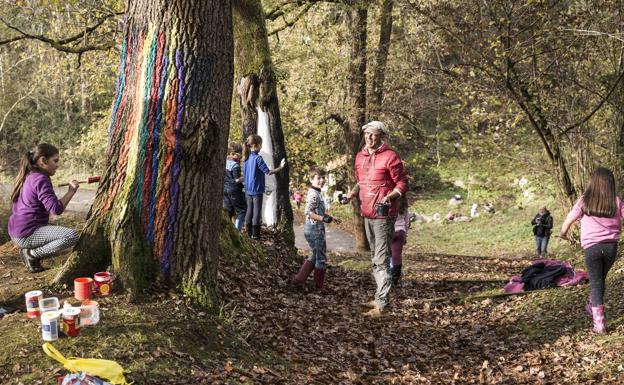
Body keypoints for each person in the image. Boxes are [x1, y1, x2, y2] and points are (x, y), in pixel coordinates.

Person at [343, 121, 408, 317]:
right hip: (367, 213)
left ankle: (383, 304)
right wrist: (351, 194)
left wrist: (390, 197)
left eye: (374, 135)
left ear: (381, 136)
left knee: (381, 259)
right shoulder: (360, 156)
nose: (369, 138)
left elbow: (402, 183)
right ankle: (380, 296)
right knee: (375, 258)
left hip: (384, 215)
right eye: (367, 134)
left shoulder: (390, 157)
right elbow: (360, 182)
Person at [559, 167, 624, 334]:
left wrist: (563, 234)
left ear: (593, 182)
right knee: (599, 279)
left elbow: (569, 219)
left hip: (592, 248)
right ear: (611, 183)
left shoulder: (584, 200)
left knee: (596, 282)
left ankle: (599, 323)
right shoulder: (616, 201)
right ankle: (592, 304)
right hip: (611, 247)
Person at [8, 144, 80, 272]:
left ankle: (30, 252)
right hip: (26, 234)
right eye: (55, 160)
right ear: (43, 161)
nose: (58, 165)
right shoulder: (41, 179)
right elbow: (56, 209)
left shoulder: (30, 174)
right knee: (71, 236)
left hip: (17, 231)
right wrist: (71, 191)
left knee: (67, 241)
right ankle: (31, 254)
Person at [292, 166, 340, 290]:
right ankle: (318, 287)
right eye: (319, 178)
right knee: (321, 257)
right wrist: (322, 219)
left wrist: (331, 217)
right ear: (311, 179)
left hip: (315, 228)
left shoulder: (317, 192)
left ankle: (299, 279)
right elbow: (308, 212)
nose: (322, 180)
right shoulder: (313, 194)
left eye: (323, 178)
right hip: (314, 230)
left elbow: (318, 210)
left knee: (315, 254)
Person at [242, 134, 286, 240]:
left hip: (248, 189)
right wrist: (280, 167)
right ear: (256, 145)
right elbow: (268, 172)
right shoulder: (258, 158)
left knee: (249, 210)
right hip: (257, 189)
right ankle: (255, 235)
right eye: (261, 145)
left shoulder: (245, 158)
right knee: (257, 211)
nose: (261, 147)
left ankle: (248, 233)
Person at [223, 142, 246, 232]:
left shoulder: (224, 163)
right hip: (234, 190)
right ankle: (237, 231)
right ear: (232, 154)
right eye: (238, 154)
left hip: (225, 189)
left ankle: (228, 231)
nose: (240, 156)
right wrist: (244, 178)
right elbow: (236, 180)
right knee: (242, 210)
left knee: (229, 210)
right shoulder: (235, 165)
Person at [390, 194, 410, 285]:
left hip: (389, 231)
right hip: (400, 231)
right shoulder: (404, 207)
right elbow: (406, 222)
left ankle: (387, 275)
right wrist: (405, 236)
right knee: (397, 255)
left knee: (388, 254)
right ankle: (395, 278)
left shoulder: (389, 204)